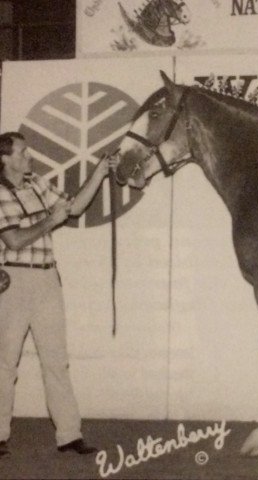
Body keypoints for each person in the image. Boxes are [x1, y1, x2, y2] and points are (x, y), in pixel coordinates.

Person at [0, 131, 117, 458]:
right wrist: (51, 221)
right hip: (13, 280)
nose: (29, 157)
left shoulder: (37, 183)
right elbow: (13, 241)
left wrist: (100, 172)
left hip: (47, 278)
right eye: (22, 153)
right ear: (4, 159)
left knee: (56, 360)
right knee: (4, 361)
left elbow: (75, 206)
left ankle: (69, 434)